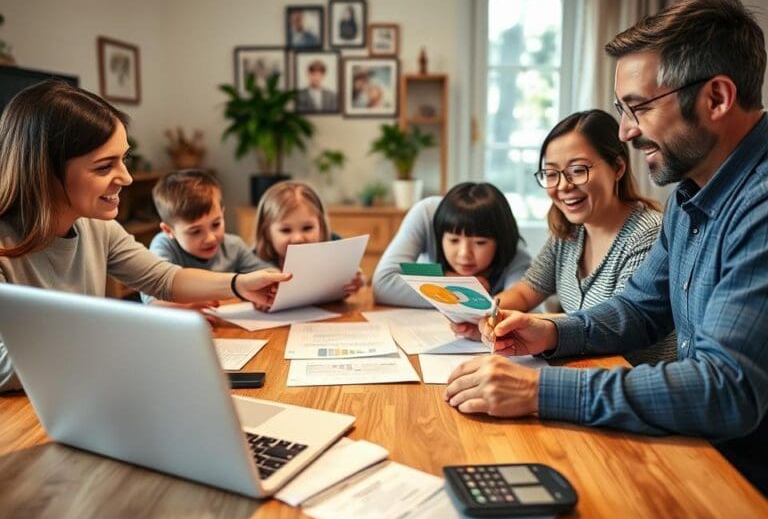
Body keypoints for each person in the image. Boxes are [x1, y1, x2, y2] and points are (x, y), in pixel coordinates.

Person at [444, 0, 768, 495]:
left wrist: (538, 388)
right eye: (622, 109)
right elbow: (640, 308)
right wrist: (552, 333)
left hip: (742, 479)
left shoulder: (760, 206)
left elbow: (725, 390)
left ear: (717, 98)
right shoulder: (690, 196)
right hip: (698, 450)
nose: (626, 130)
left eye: (638, 107)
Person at [0, 81, 290, 392]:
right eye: (104, 167)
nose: (126, 177)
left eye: (124, 159)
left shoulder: (98, 229)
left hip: (85, 390)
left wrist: (238, 284)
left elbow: (164, 279)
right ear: (44, 173)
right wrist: (119, 331)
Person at [452, 110, 676, 365]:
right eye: (551, 173)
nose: (563, 186)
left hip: (635, 384)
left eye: (577, 170)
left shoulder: (648, 234)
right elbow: (528, 291)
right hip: (589, 370)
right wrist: (488, 316)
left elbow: (616, 325)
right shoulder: (568, 231)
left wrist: (532, 325)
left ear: (618, 167)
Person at [372, 182, 532, 308]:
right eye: (454, 240)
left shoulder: (517, 253)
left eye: (480, 243)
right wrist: (459, 285)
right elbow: (383, 284)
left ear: (500, 240)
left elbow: (520, 303)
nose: (464, 254)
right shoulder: (427, 214)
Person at [140, 169, 274, 309]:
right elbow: (152, 301)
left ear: (223, 213)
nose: (210, 238)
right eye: (195, 231)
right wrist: (187, 309)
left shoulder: (234, 245)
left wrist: (271, 289)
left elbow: (267, 273)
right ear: (169, 230)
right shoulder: (163, 246)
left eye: (216, 224)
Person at [253, 180, 363, 296]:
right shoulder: (252, 261)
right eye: (286, 230)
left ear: (320, 225)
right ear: (267, 232)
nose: (298, 238)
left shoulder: (335, 245)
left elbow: (355, 276)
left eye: (307, 228)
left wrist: (356, 280)